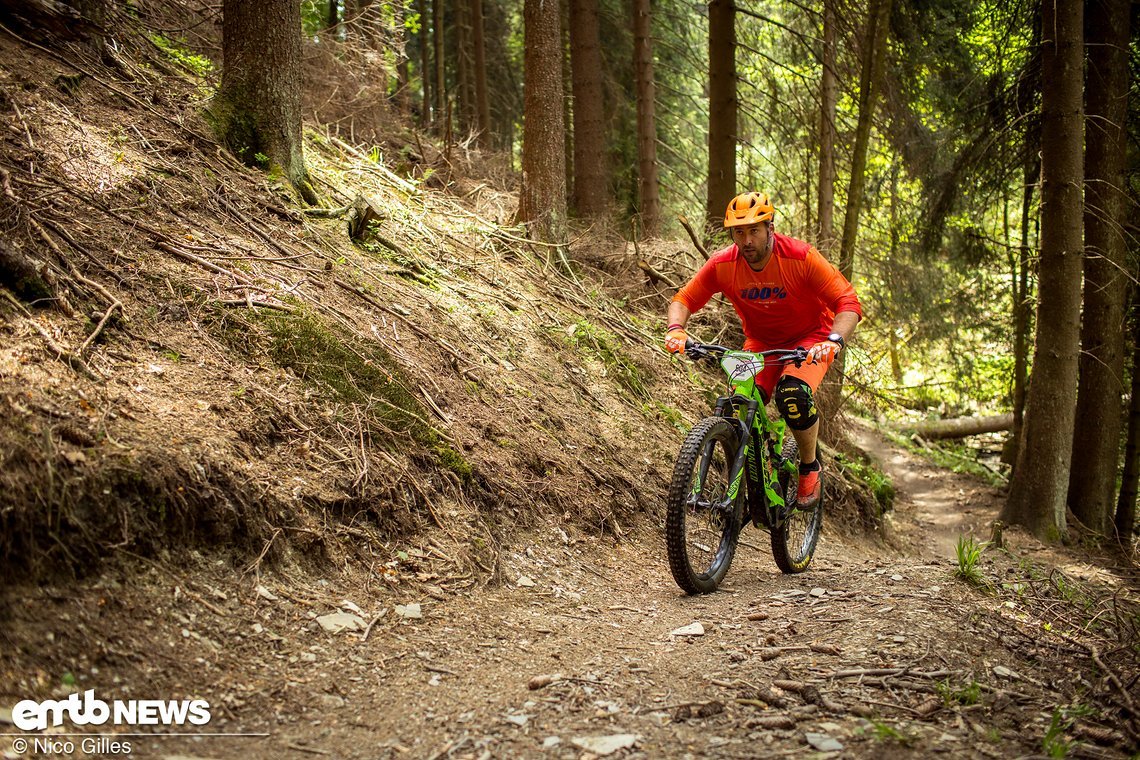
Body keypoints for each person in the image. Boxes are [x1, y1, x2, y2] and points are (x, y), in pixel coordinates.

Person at [664, 192, 862, 509]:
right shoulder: (723, 264)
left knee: (793, 394)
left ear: (770, 227)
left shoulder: (801, 257)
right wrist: (676, 329)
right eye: (739, 232)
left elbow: (848, 303)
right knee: (739, 401)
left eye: (754, 230)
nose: (747, 240)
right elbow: (683, 300)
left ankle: (809, 466)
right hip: (760, 344)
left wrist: (834, 341)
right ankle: (755, 473)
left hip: (810, 339)